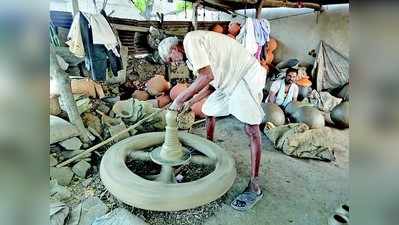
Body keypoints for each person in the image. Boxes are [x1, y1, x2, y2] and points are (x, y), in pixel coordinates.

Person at [158, 30, 267, 211]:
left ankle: (255, 185)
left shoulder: (190, 41)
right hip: (227, 83)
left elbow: (206, 76)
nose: (173, 63)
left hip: (243, 77)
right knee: (209, 110)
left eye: (171, 58)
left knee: (252, 128)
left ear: (174, 48)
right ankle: (209, 147)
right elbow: (210, 83)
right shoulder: (191, 57)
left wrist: (178, 99)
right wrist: (191, 101)